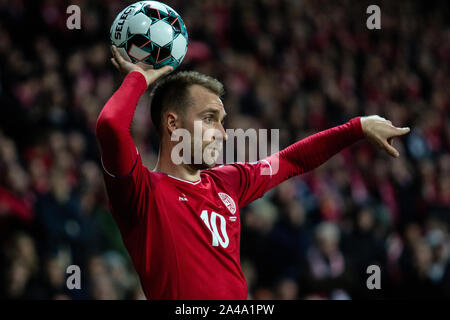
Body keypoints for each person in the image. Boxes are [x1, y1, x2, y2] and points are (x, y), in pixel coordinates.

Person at [95, 45, 410, 300]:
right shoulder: (141, 191)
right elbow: (110, 124)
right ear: (172, 123)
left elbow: (290, 161)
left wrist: (356, 127)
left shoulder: (227, 182)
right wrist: (137, 78)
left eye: (222, 120)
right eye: (209, 118)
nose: (222, 132)